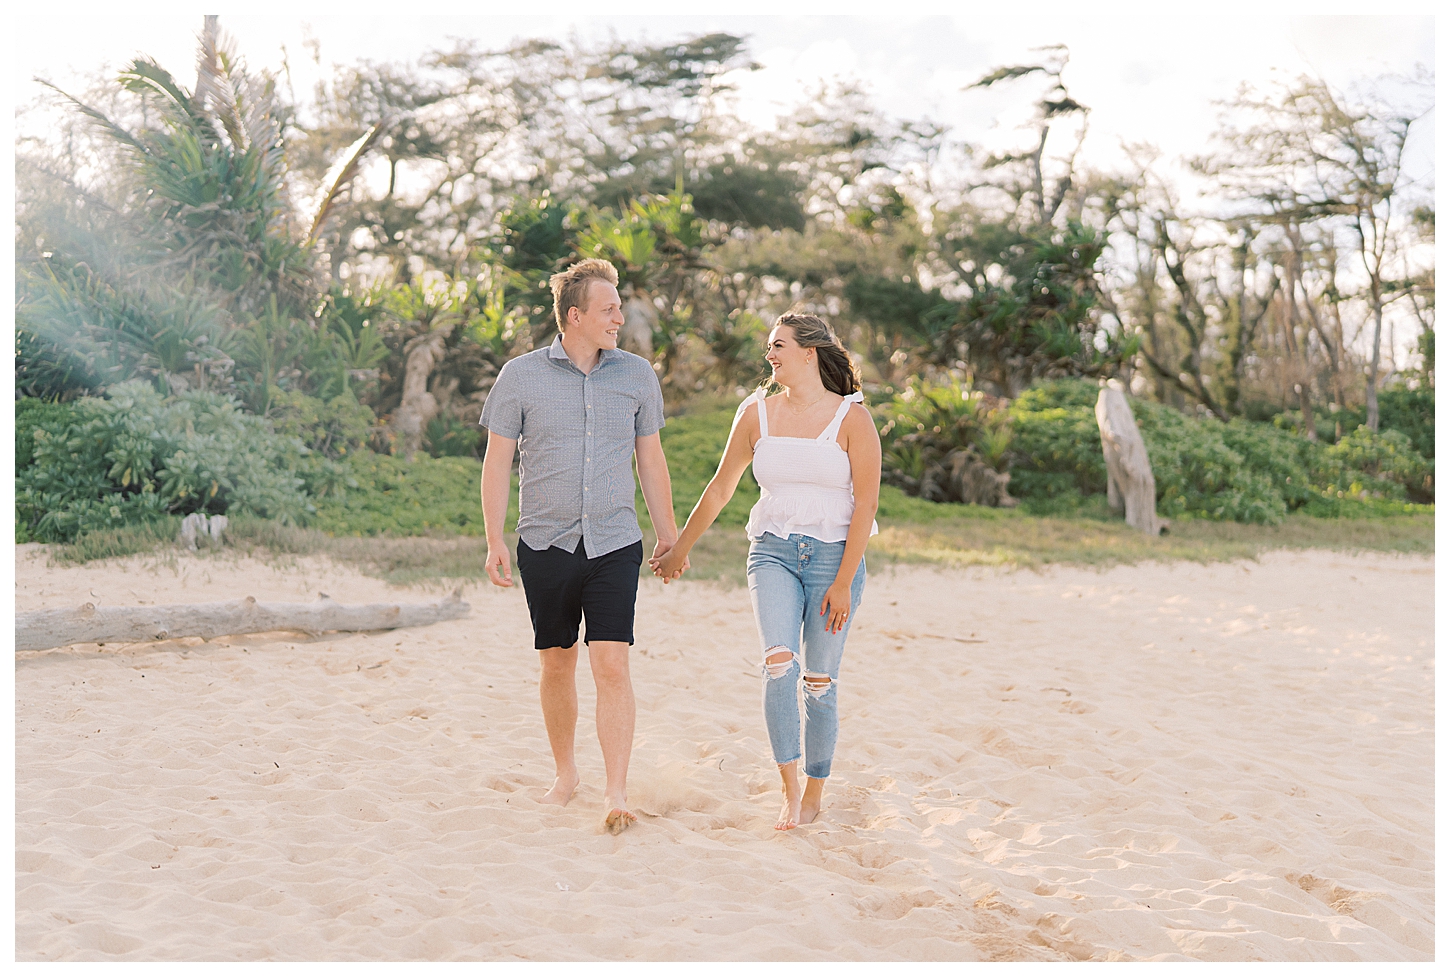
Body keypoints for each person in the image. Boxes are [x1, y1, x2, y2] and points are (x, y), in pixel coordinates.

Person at [650, 312, 880, 830]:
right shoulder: (755, 412)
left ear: (809, 352)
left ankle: (817, 790)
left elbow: (865, 504)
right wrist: (680, 549)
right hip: (771, 552)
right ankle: (790, 790)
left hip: (833, 560)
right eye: (768, 347)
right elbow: (721, 486)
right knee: (780, 664)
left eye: (778, 345)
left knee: (819, 682)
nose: (769, 355)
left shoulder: (853, 418)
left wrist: (843, 581)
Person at [479, 258, 683, 835]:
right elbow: (498, 461)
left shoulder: (637, 375)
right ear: (575, 316)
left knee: (612, 663)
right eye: (609, 309)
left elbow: (651, 457)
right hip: (545, 542)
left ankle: (616, 791)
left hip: (615, 541)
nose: (620, 316)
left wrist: (667, 533)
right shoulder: (519, 376)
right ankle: (566, 775)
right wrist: (494, 538)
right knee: (557, 662)